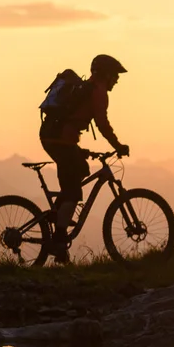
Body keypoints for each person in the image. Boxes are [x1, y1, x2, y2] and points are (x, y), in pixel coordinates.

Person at [39, 53, 129, 262]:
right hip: (60, 140)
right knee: (73, 193)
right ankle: (59, 240)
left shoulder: (87, 89)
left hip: (57, 138)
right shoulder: (98, 92)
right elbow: (102, 124)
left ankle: (57, 215)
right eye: (115, 75)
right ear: (106, 74)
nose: (117, 80)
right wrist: (118, 145)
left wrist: (82, 151)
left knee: (80, 169)